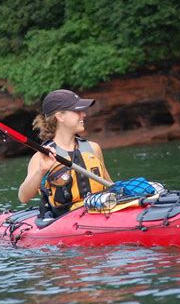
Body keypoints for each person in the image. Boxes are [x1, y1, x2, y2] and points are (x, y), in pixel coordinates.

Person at [18, 89, 113, 218]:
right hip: (65, 219)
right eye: (77, 111)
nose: (83, 114)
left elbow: (110, 185)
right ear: (60, 116)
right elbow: (23, 197)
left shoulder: (93, 148)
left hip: (100, 212)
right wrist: (41, 171)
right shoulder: (42, 156)